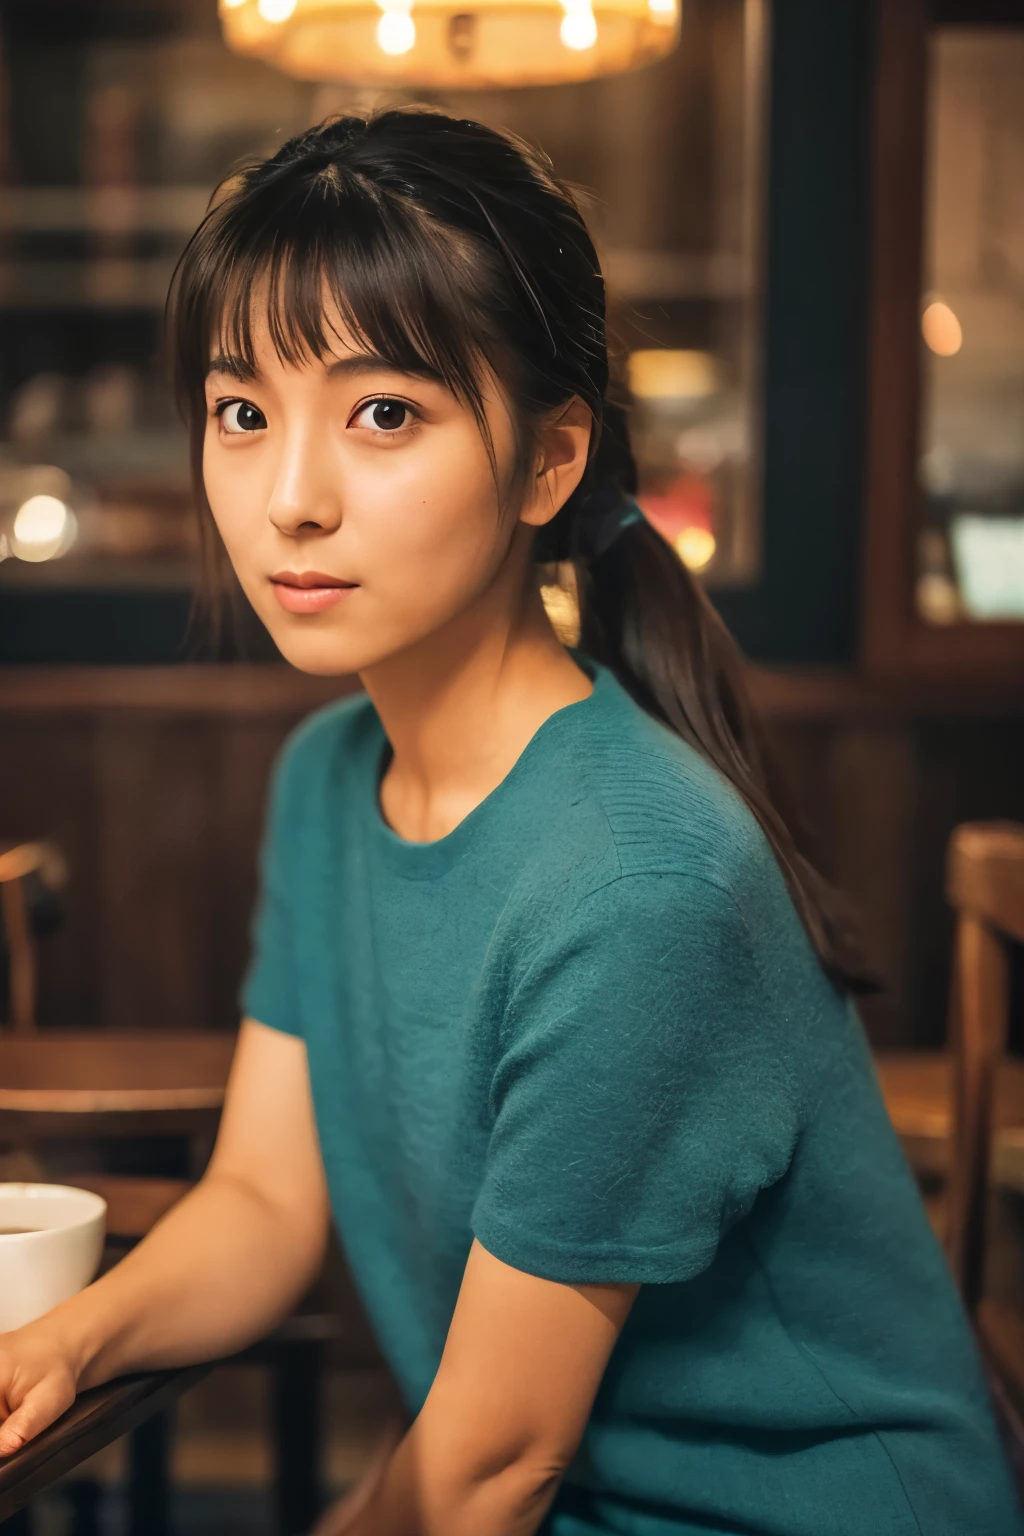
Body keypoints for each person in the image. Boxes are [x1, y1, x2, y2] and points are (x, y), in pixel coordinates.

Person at [0, 109, 1018, 1536]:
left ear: (548, 463)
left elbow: (487, 1469)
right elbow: (263, 1202)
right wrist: (61, 1346)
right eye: (244, 412)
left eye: (384, 414)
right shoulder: (327, 779)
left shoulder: (638, 880)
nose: (289, 499)